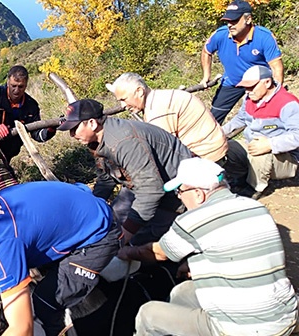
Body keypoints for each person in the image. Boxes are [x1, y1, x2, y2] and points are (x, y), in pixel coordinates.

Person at [118, 157, 297, 336]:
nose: (179, 197)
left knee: (148, 315)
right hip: (285, 316)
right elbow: (235, 248)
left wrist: (127, 252)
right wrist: (196, 264)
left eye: (180, 191)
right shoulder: (255, 207)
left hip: (242, 329)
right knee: (182, 292)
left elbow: (157, 253)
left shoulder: (192, 221)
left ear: (198, 193)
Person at [0, 181, 120, 336]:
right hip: (83, 204)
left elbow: (22, 328)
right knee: (38, 273)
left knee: (45, 303)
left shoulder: (2, 247)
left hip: (99, 234)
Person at [57, 99, 193, 246]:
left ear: (92, 123)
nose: (72, 134)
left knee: (151, 242)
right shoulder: (97, 141)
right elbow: (106, 179)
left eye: (74, 128)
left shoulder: (124, 142)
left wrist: (126, 234)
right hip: (144, 186)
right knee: (114, 220)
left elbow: (151, 190)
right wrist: (93, 209)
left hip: (179, 193)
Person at [107, 72, 228, 163]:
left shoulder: (158, 111)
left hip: (207, 156)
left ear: (139, 92)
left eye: (124, 99)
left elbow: (165, 151)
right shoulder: (160, 97)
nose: (123, 105)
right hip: (213, 146)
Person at [222, 65, 299, 199]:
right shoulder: (250, 99)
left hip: (286, 158)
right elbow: (240, 120)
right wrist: (218, 134)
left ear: (267, 82)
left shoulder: (287, 103)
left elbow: (297, 135)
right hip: (254, 146)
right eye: (245, 87)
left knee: (259, 152)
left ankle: (254, 188)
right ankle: (239, 180)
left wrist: (270, 144)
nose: (247, 91)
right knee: (227, 147)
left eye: (251, 87)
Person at [200, 0, 283, 124]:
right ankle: (209, 140)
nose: (230, 25)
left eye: (234, 21)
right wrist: (206, 76)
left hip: (257, 83)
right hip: (232, 81)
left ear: (248, 19)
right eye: (228, 21)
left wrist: (275, 93)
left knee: (262, 117)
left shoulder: (264, 37)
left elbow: (277, 68)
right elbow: (206, 51)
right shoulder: (220, 35)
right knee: (213, 118)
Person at [0, 65, 56, 164]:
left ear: (26, 85)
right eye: (13, 86)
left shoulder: (31, 106)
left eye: (21, 87)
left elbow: (38, 135)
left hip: (6, 155)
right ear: (8, 82)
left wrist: (50, 130)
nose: (16, 90)